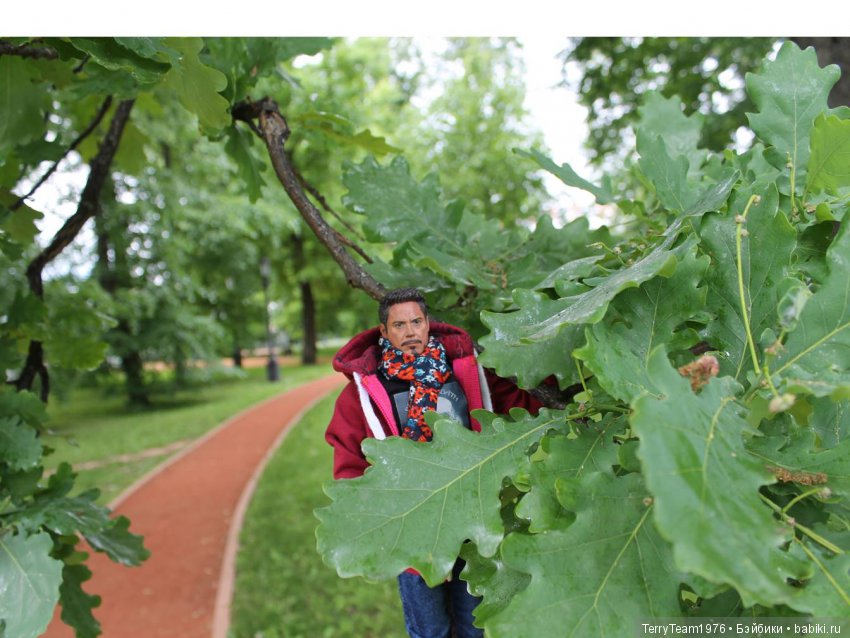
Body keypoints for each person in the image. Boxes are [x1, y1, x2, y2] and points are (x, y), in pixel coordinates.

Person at [325, 287, 541, 638]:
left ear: (428, 323)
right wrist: (370, 515)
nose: (410, 331)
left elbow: (519, 401)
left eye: (416, 322)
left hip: (468, 523)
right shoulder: (363, 393)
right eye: (399, 325)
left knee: (473, 626)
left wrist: (558, 390)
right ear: (384, 332)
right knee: (430, 630)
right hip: (412, 529)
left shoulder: (466, 372)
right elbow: (348, 458)